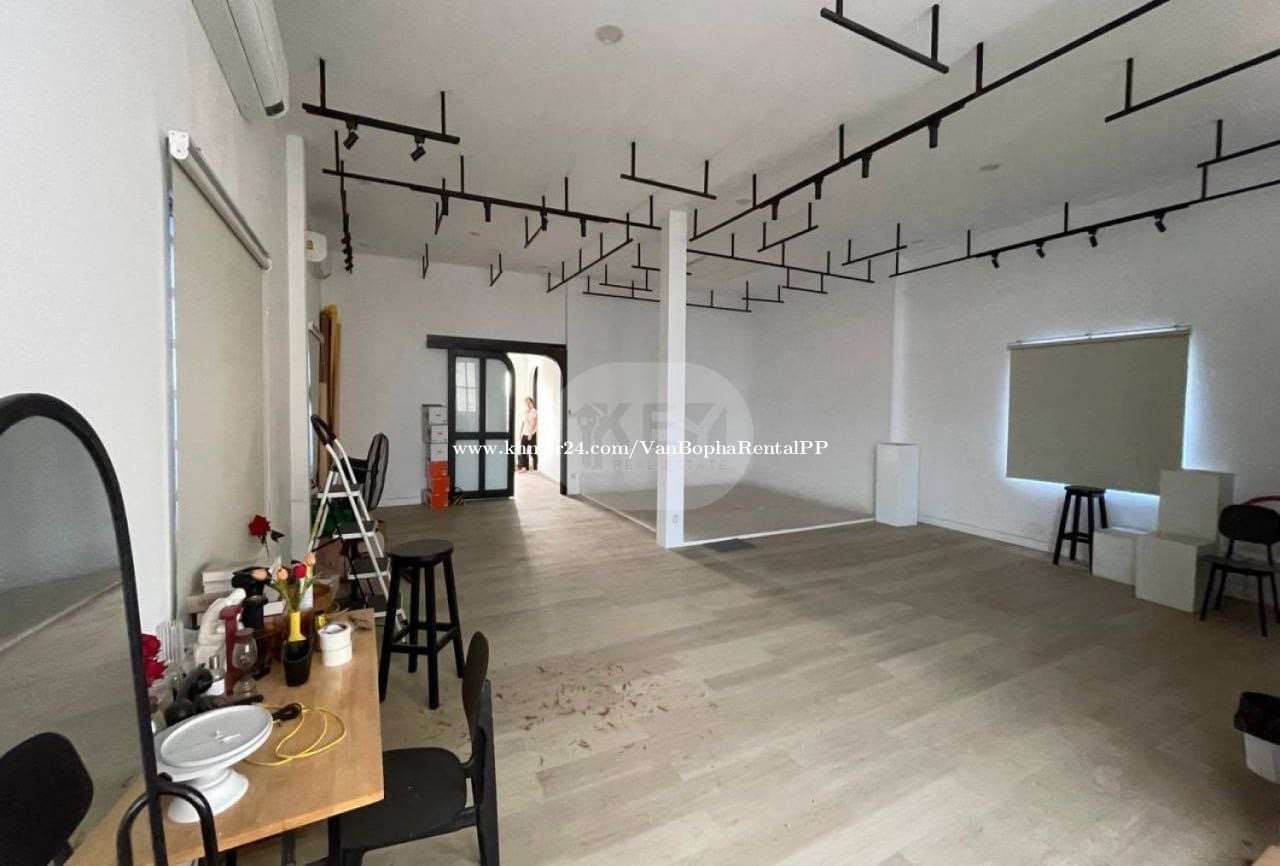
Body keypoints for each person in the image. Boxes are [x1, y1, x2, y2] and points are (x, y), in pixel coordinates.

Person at [517, 396, 538, 472]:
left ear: (532, 403)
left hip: (532, 434)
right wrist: (520, 433)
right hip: (525, 433)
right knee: (523, 450)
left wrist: (530, 434)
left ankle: (536, 466)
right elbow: (523, 423)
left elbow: (533, 423)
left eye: (529, 402)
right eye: (526, 402)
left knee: (533, 452)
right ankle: (524, 467)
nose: (528, 404)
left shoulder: (533, 411)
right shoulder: (525, 412)